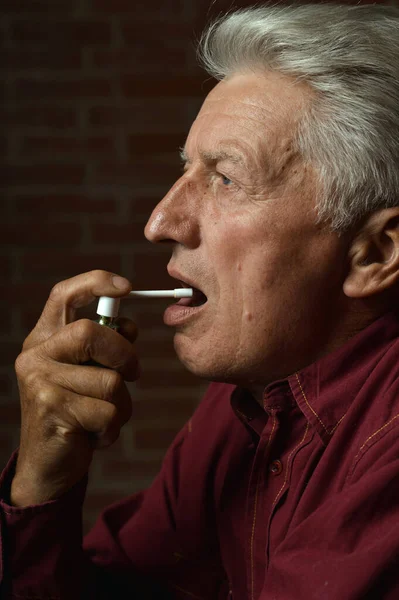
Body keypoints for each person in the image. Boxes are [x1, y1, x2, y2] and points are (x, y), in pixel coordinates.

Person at [1, 2, 399, 598]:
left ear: (375, 254)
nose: (160, 221)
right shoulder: (247, 402)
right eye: (186, 169)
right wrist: (39, 484)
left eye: (226, 178)